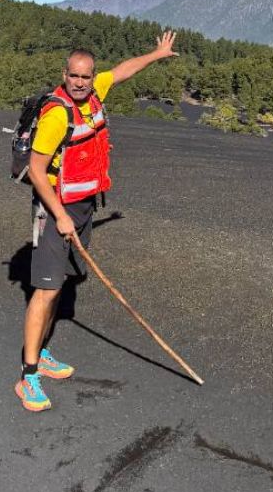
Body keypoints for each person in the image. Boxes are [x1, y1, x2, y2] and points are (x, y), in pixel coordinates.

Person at [16, 31, 179, 412]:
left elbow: (122, 71)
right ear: (65, 74)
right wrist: (59, 217)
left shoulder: (94, 95)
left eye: (85, 77)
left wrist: (156, 54)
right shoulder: (57, 115)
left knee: (60, 287)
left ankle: (41, 350)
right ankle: (28, 375)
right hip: (57, 208)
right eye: (73, 76)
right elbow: (37, 171)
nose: (79, 82)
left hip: (84, 206)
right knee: (45, 289)